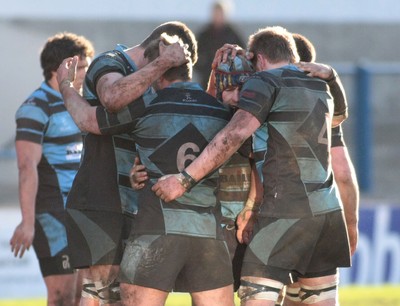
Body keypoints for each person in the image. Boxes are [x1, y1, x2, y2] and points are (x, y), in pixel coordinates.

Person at [152, 26, 352, 306]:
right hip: (328, 212)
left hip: (285, 210)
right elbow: (339, 117)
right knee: (320, 300)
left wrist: (184, 179)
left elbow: (233, 135)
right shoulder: (320, 83)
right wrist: (331, 74)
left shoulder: (266, 80)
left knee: (257, 295)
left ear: (259, 59)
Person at [58, 32, 234, 306]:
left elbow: (90, 121)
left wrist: (67, 86)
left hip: (155, 231)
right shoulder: (221, 111)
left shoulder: (146, 107)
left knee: (98, 293)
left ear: (158, 72)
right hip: (208, 236)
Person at [9, 32, 94, 306]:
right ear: (60, 68)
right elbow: (26, 166)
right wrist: (27, 221)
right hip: (53, 213)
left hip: (82, 210)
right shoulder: (36, 107)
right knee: (62, 296)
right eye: (81, 66)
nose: (86, 72)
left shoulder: (83, 103)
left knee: (85, 295)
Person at [195, 0, 245, 89]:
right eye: (216, 13)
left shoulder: (233, 34)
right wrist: (205, 68)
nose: (217, 16)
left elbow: (242, 53)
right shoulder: (204, 34)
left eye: (220, 13)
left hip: (229, 80)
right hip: (207, 78)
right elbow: (194, 55)